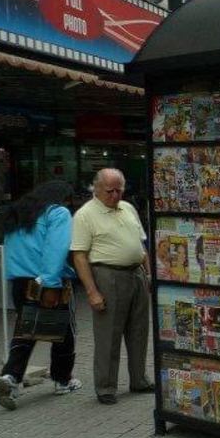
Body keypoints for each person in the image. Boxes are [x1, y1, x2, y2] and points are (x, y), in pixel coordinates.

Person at [0, 181, 83, 410]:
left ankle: (11, 377)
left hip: (19, 281)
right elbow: (56, 248)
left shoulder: (19, 213)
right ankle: (62, 380)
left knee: (26, 331)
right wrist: (50, 283)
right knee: (64, 332)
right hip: (45, 281)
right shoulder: (58, 213)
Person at [70, 169, 154, 405]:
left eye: (120, 190)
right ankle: (106, 387)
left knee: (139, 331)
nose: (115, 195)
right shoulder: (85, 215)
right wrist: (92, 291)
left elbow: (140, 243)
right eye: (110, 191)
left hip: (135, 273)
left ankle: (139, 379)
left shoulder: (127, 208)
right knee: (109, 334)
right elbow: (79, 256)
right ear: (96, 189)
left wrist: (148, 273)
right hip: (108, 274)